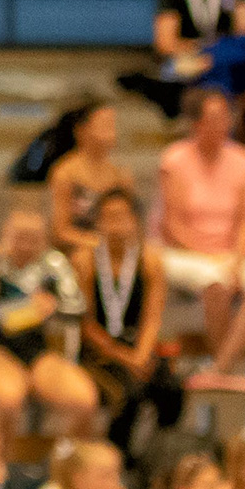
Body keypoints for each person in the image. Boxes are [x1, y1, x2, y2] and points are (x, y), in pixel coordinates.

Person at [153, 89, 245, 380]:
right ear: (196, 122)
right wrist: (213, 257)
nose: (222, 123)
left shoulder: (242, 159)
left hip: (228, 251)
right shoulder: (174, 159)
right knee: (216, 282)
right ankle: (223, 367)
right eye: (214, 117)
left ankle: (221, 366)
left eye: (226, 116)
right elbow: (171, 224)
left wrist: (237, 260)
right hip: (183, 250)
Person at [0, 202, 97, 434]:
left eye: (33, 238)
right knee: (7, 400)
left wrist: (53, 306)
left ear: (44, 239)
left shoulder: (52, 263)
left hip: (38, 353)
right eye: (20, 237)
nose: (25, 245)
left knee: (83, 399)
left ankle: (64, 462)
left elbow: (78, 306)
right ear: (6, 234)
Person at [77, 186, 182, 463]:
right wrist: (123, 357)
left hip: (138, 348)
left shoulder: (149, 261)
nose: (116, 225)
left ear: (136, 221)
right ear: (98, 222)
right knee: (127, 392)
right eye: (109, 217)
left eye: (122, 217)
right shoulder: (85, 261)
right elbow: (84, 324)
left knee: (171, 387)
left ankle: (159, 459)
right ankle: (121, 461)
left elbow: (152, 318)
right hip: (100, 354)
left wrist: (141, 354)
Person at [41, 101, 128, 281]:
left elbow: (130, 222)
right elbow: (60, 231)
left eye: (113, 125)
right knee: (85, 261)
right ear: (81, 130)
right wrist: (100, 244)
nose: (111, 131)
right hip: (78, 250)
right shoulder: (65, 173)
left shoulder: (121, 175)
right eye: (104, 125)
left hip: (115, 247)